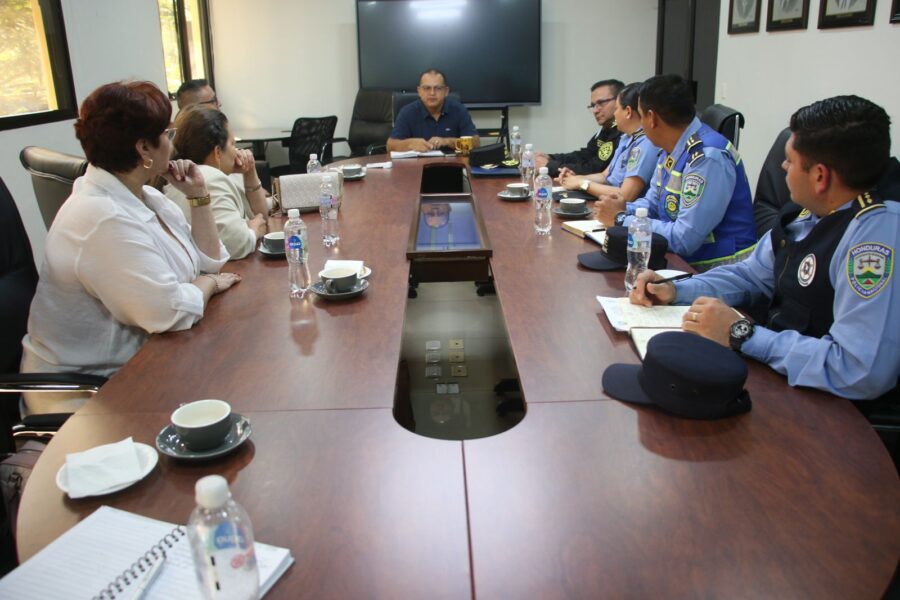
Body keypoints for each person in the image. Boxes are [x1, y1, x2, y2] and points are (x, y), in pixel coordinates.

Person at [629, 95, 900, 402]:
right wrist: (676, 289)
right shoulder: (811, 209)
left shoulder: (875, 235)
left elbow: (859, 370)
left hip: (831, 406)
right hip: (780, 372)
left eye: (790, 161)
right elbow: (750, 275)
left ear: (820, 177)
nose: (782, 167)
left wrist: (742, 334)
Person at [20, 81, 241, 415]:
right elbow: (169, 311)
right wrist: (207, 284)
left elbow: (209, 262)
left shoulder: (145, 196)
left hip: (149, 360)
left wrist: (198, 196)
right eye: (167, 133)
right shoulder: (101, 217)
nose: (172, 142)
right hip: (90, 394)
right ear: (144, 149)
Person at [593, 74, 756, 271]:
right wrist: (622, 208)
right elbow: (652, 204)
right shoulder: (670, 147)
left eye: (641, 116)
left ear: (652, 118)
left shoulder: (707, 158)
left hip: (719, 269)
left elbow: (684, 239)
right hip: (683, 260)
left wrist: (621, 219)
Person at [165, 105, 268, 259]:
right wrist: (253, 231)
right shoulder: (212, 178)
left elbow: (259, 217)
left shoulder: (188, 176)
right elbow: (237, 245)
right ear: (217, 152)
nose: (237, 151)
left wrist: (250, 173)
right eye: (232, 144)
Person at [557, 83, 661, 203]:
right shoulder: (626, 138)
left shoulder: (646, 144)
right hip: (608, 202)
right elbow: (605, 176)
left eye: (616, 109)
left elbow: (626, 195)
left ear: (628, 112)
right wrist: (575, 178)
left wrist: (582, 184)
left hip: (625, 209)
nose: (615, 114)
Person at [535, 79, 624, 177]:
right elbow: (584, 156)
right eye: (593, 105)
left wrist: (549, 166)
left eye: (601, 103)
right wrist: (551, 158)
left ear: (619, 101)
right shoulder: (606, 129)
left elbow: (595, 169)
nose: (595, 110)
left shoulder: (623, 133)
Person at [387, 69, 479, 153]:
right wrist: (410, 144)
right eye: (427, 88)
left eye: (438, 88)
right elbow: (390, 146)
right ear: (419, 91)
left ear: (446, 91)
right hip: (417, 165)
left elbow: (476, 143)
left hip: (453, 164)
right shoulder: (407, 112)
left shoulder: (459, 110)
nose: (432, 93)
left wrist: (447, 141)